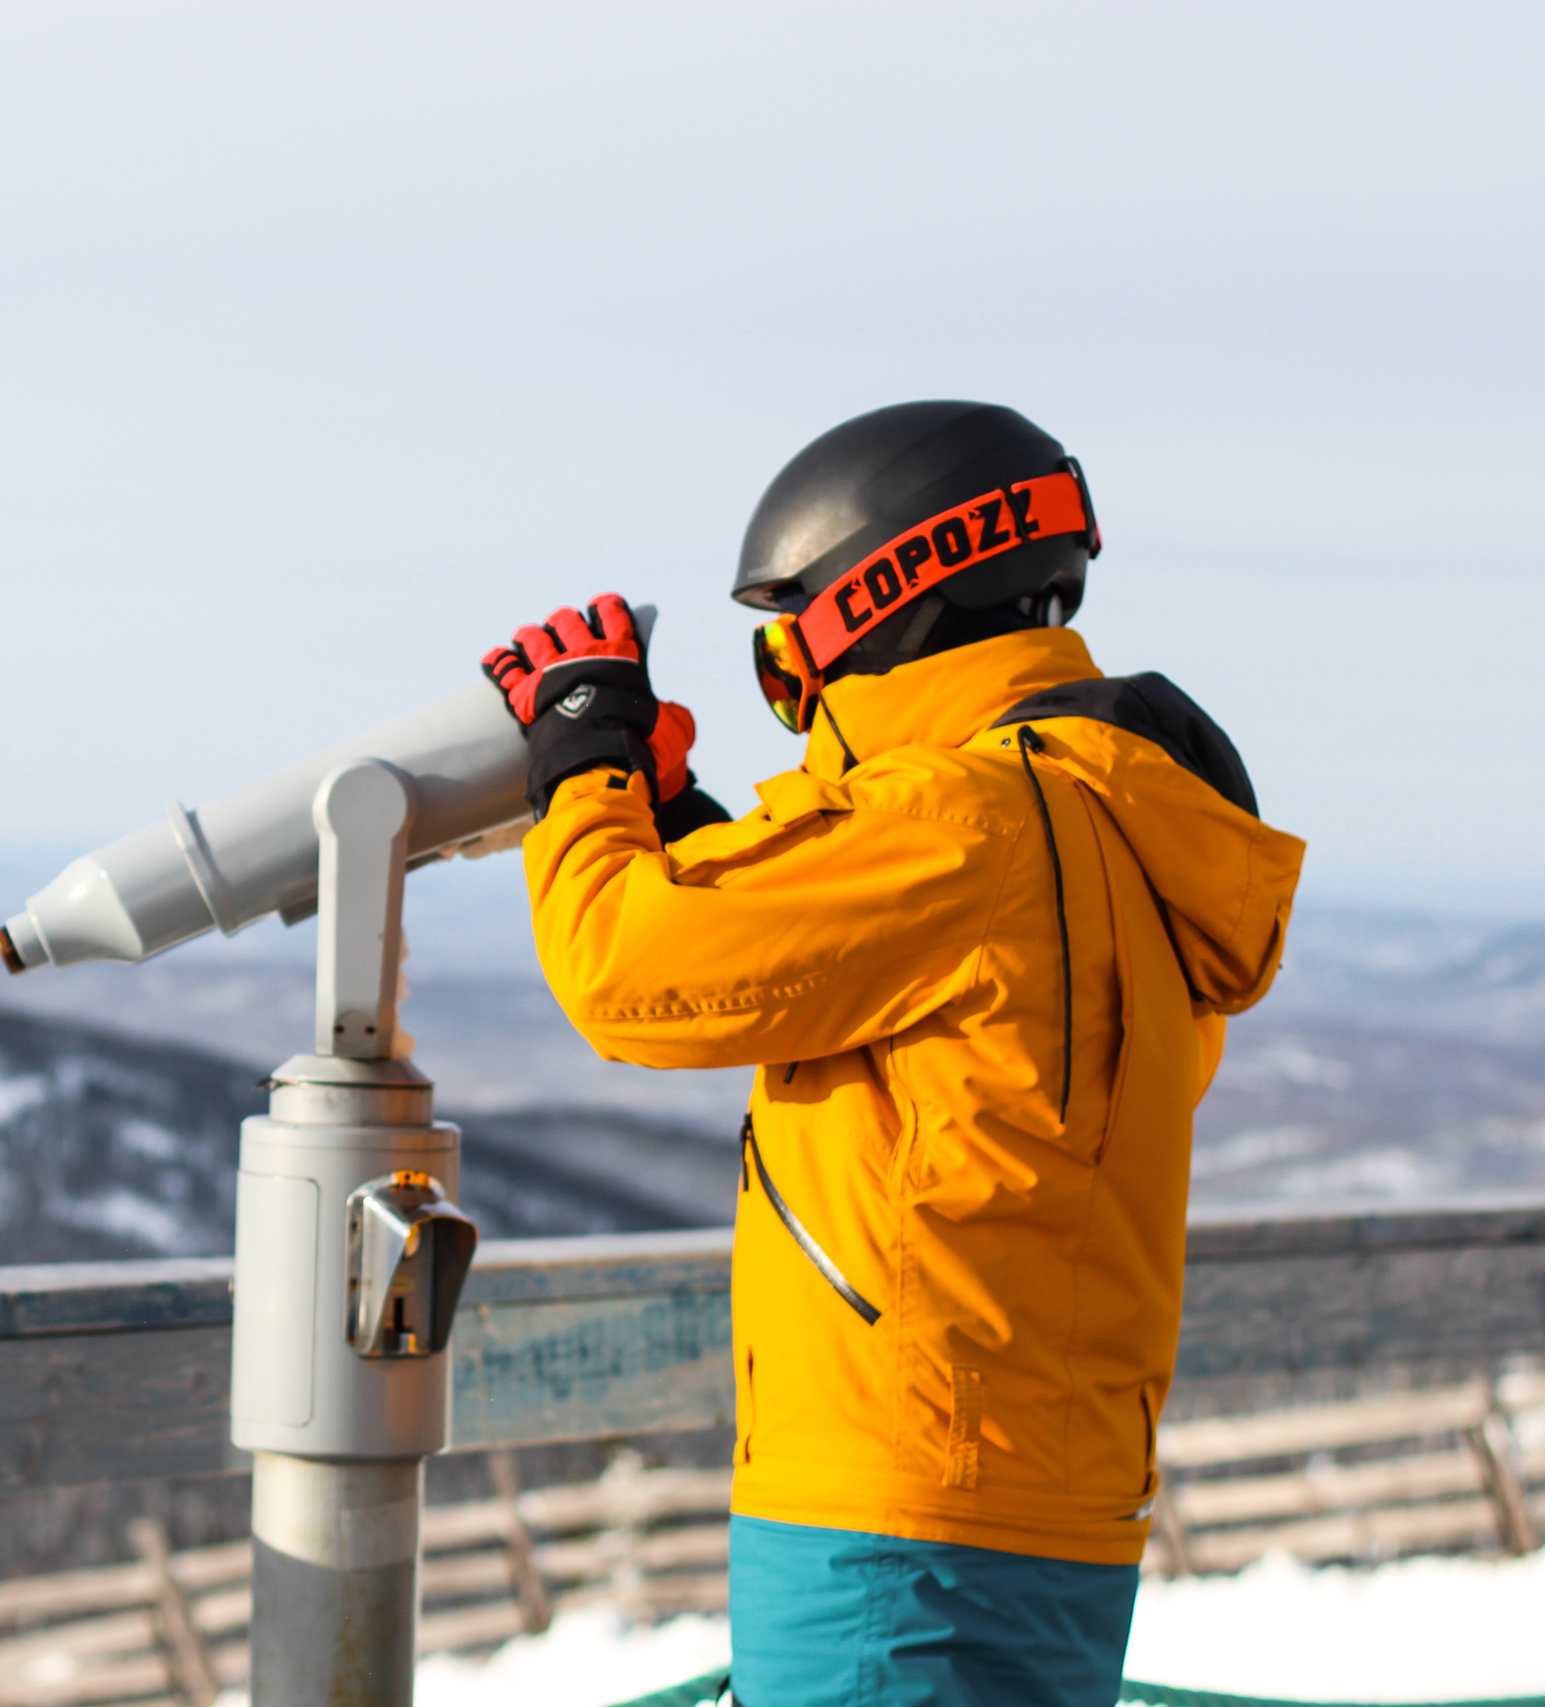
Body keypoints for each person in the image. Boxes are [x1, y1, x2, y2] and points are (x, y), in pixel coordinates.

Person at [479, 401, 1305, 1707]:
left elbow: (629, 970)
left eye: (784, 658)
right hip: (1042, 1505)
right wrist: (684, 818)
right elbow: (867, 994)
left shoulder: (962, 821)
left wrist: (581, 748)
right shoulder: (1106, 819)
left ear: (886, 607)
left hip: (895, 1515)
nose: (788, 699)